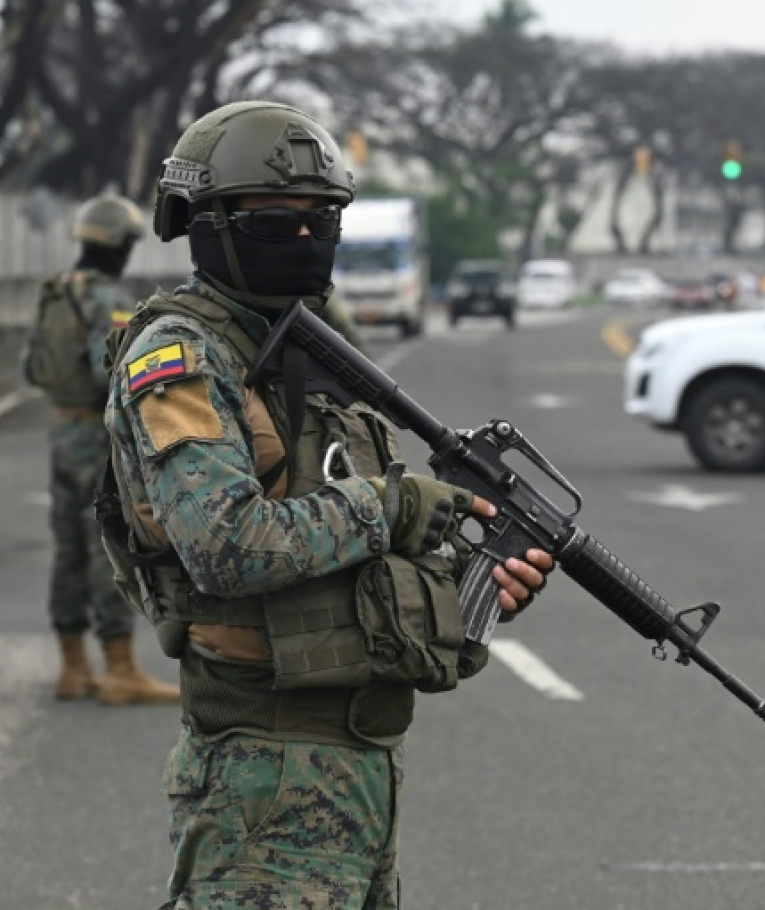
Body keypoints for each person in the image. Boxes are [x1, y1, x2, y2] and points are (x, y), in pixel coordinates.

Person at [100, 100, 554, 907]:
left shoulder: (305, 345)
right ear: (206, 225)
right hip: (261, 775)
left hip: (361, 763)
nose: (308, 240)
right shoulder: (180, 356)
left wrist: (467, 588)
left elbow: (355, 545)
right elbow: (226, 545)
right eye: (278, 222)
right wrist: (397, 506)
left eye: (325, 220)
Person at [22, 193, 180, 705]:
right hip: (96, 437)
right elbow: (106, 369)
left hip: (60, 431)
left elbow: (31, 369)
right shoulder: (107, 297)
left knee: (66, 547)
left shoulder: (55, 291)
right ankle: (119, 669)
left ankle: (73, 667)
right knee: (106, 545)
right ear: (119, 244)